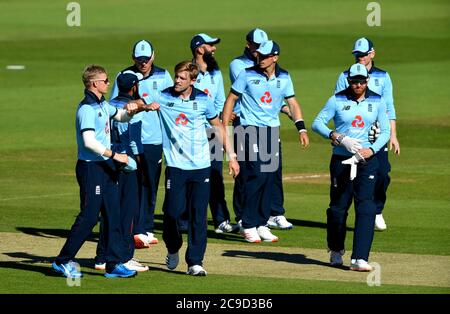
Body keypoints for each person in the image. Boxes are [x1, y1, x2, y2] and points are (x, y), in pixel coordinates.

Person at [52, 65, 152, 278]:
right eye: (105, 81)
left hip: (104, 167)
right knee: (89, 217)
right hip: (91, 168)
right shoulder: (87, 109)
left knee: (113, 215)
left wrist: (142, 108)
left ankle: (114, 264)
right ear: (95, 83)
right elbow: (89, 142)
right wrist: (115, 156)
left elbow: (122, 116)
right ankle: (63, 261)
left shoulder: (102, 105)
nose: (108, 83)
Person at [153, 61, 239, 276]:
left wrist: (232, 156)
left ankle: (195, 262)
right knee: (171, 213)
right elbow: (141, 103)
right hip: (175, 165)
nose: (177, 81)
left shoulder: (203, 99)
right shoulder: (164, 96)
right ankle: (173, 248)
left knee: (198, 215)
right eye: (176, 77)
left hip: (201, 166)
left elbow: (218, 126)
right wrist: (137, 106)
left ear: (193, 80)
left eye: (182, 78)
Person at [222, 40, 309, 243]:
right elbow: (231, 99)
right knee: (257, 175)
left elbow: (292, 102)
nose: (259, 58)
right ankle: (248, 222)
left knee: (269, 178)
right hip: (249, 129)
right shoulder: (247, 74)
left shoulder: (284, 77)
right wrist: (225, 125)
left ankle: (261, 223)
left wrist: (301, 127)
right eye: (258, 55)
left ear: (275, 57)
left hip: (271, 131)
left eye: (264, 56)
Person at [312, 63, 390, 271]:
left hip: (366, 160)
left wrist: (371, 150)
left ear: (367, 81)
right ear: (349, 81)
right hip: (341, 160)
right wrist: (337, 137)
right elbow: (317, 123)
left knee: (366, 206)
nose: (357, 85)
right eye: (354, 81)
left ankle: (360, 258)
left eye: (361, 81)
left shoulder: (377, 101)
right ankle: (336, 249)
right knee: (338, 207)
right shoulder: (336, 99)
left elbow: (385, 132)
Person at [110, 40, 173, 248]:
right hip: (129, 141)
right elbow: (113, 106)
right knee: (132, 185)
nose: (143, 63)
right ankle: (133, 228)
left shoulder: (164, 76)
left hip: (155, 139)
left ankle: (145, 227)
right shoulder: (124, 76)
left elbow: (169, 105)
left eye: (146, 59)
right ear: (133, 58)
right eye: (139, 60)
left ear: (153, 56)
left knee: (150, 184)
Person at [229, 28, 294, 230]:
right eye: (256, 47)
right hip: (243, 120)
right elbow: (251, 93)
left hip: (266, 122)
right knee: (248, 172)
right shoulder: (239, 65)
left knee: (271, 170)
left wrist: (283, 108)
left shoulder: (268, 65)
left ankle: (273, 212)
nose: (259, 52)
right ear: (248, 45)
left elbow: (272, 94)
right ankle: (243, 215)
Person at [94, 72, 158, 272]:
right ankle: (124, 257)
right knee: (127, 212)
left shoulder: (108, 105)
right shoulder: (133, 108)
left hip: (109, 160)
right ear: (135, 87)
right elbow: (133, 139)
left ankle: (102, 257)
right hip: (127, 163)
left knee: (110, 211)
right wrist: (140, 163)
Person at [335, 37, 400, 231]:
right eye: (357, 55)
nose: (360, 58)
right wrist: (340, 136)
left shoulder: (383, 76)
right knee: (348, 179)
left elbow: (389, 107)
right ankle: (347, 215)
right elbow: (338, 105)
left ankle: (376, 210)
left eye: (363, 55)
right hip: (352, 137)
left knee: (382, 175)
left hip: (377, 137)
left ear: (372, 54)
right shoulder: (344, 76)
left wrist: (393, 135)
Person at [190, 33, 237, 234]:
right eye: (211, 46)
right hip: (191, 133)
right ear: (200, 49)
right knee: (190, 176)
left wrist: (220, 117)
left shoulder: (215, 73)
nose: (214, 49)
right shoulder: (187, 72)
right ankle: (184, 219)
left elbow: (219, 101)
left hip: (211, 130)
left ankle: (221, 220)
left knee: (215, 175)